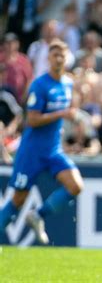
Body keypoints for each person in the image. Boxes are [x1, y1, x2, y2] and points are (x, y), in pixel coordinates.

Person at [0, 40, 84, 245]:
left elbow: (70, 108)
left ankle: (38, 215)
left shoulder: (68, 83)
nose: (58, 58)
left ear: (66, 58)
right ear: (48, 58)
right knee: (19, 199)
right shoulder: (39, 84)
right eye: (54, 55)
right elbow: (32, 120)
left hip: (53, 149)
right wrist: (62, 114)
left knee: (75, 186)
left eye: (62, 55)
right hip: (32, 151)